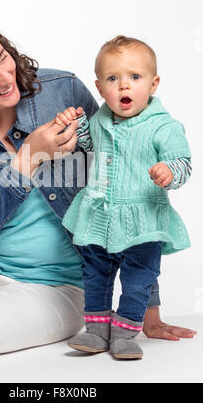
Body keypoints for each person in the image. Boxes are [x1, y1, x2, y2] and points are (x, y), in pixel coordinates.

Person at [0, 19, 196, 364]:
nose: (5, 78)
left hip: (62, 285)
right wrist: (28, 158)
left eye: (2, 57)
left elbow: (127, 187)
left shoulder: (62, 91)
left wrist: (150, 305)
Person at [56, 36, 194, 360]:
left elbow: (183, 162)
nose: (123, 86)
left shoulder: (163, 126)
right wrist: (76, 127)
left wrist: (170, 171)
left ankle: (126, 330)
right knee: (95, 273)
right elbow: (88, 147)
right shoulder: (101, 119)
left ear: (153, 83)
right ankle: (96, 330)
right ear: (100, 87)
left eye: (135, 77)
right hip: (98, 216)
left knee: (138, 277)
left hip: (141, 219)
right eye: (113, 79)